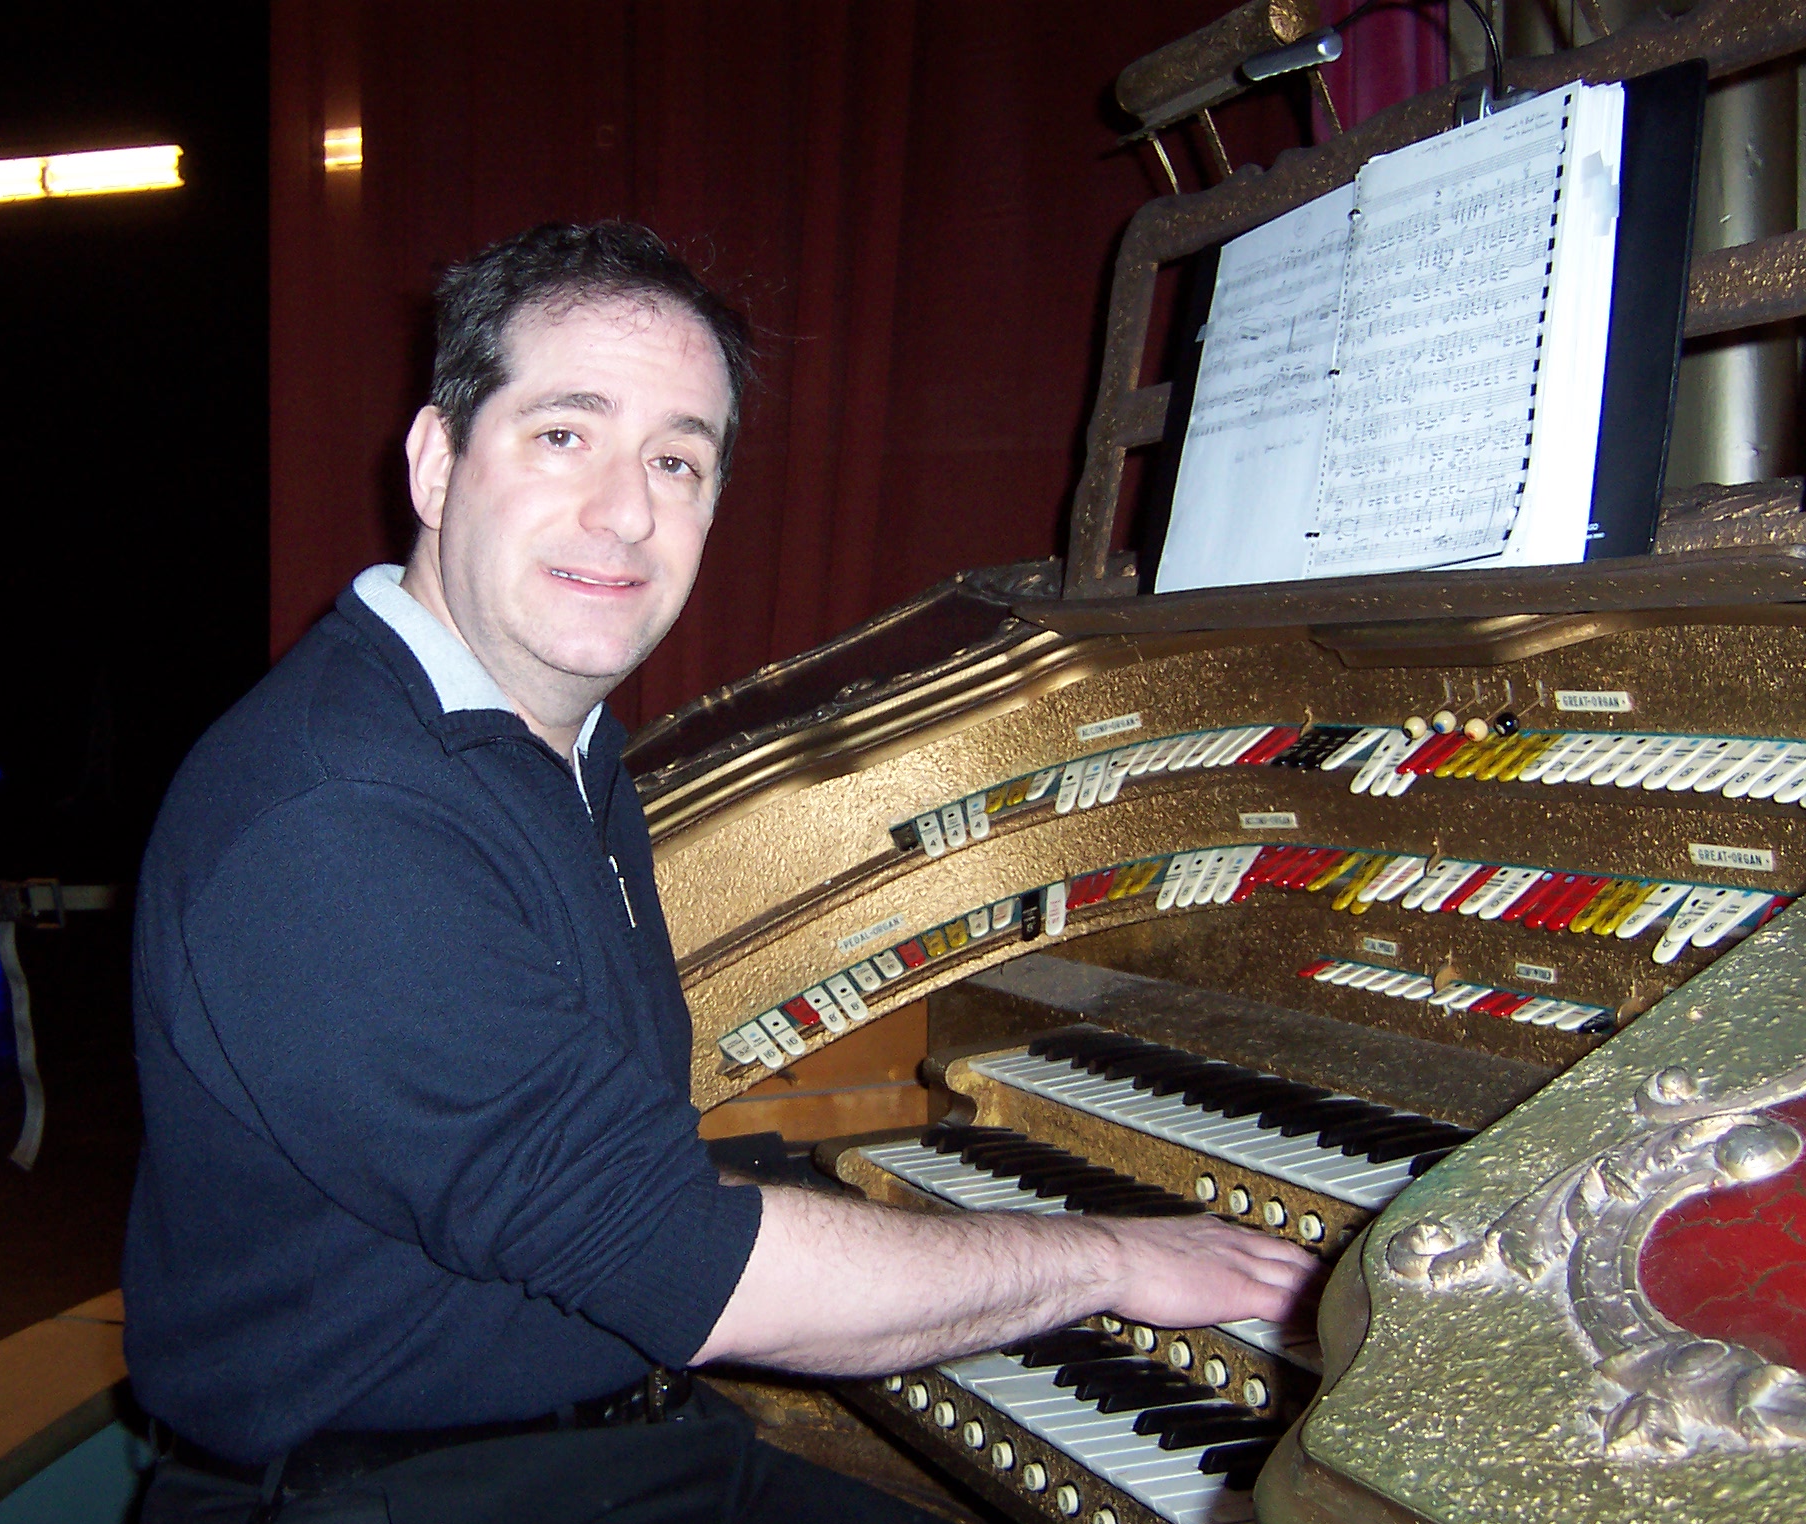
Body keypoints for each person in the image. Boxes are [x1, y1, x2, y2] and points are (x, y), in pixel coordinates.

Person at [124, 221, 1316, 1524]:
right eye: (565, 433)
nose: (626, 511)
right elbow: (685, 1268)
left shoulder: (547, 749)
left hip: (596, 1444)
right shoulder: (338, 814)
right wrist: (1109, 1255)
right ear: (436, 459)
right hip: (398, 1489)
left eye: (677, 459)